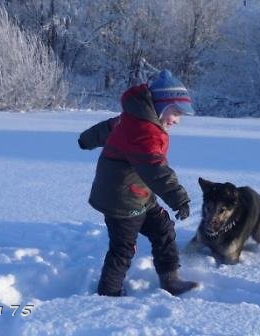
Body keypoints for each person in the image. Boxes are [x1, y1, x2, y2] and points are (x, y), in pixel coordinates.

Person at [78, 69, 198, 296]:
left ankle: (170, 279)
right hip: (122, 200)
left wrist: (87, 139)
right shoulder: (144, 132)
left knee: (163, 229)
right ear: (162, 106)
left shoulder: (134, 118)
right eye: (176, 112)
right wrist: (178, 198)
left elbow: (108, 128)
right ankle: (108, 293)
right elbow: (156, 169)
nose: (177, 120)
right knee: (123, 249)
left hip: (139, 193)